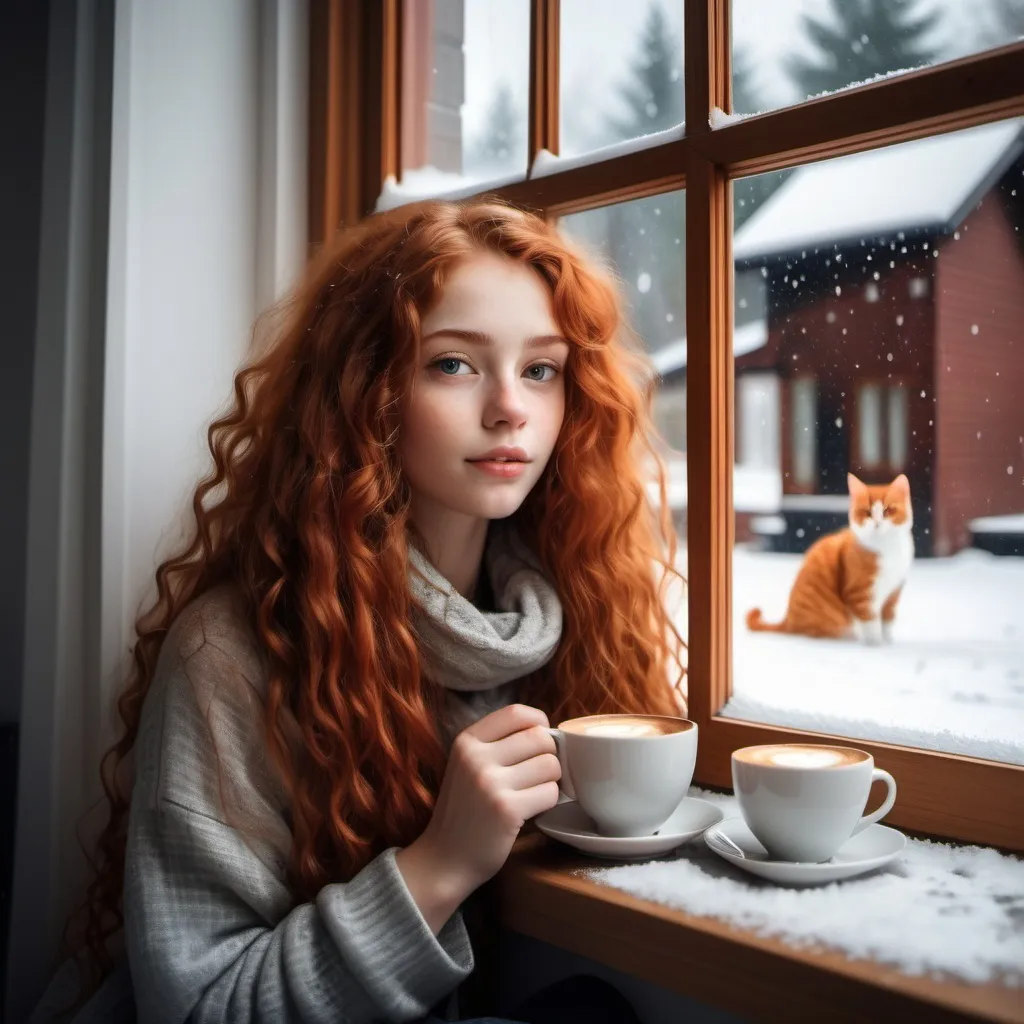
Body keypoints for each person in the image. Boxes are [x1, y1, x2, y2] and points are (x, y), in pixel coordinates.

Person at [29, 199, 687, 1023]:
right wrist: (440, 862)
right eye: (453, 364)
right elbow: (199, 1010)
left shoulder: (577, 629)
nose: (510, 407)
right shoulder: (232, 651)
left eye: (542, 369)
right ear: (365, 391)